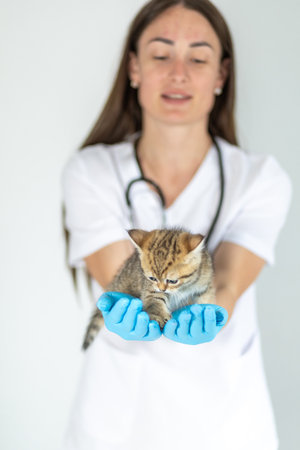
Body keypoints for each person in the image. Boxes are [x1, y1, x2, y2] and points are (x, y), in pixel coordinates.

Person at [62, 1, 292, 449]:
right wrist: (131, 304)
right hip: (116, 426)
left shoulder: (261, 179)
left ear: (222, 75)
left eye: (199, 57)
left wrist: (214, 308)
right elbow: (120, 279)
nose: (179, 73)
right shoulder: (91, 172)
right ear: (134, 68)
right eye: (161, 55)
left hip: (227, 425)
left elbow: (226, 282)